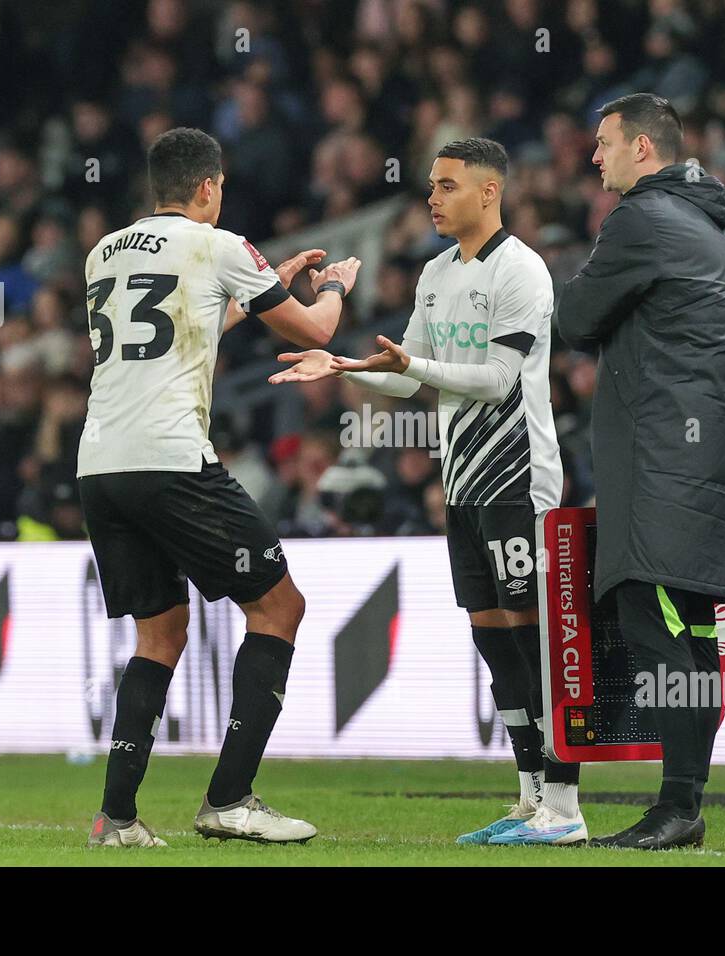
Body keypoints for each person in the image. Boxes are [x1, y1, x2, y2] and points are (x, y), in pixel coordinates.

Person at [270, 139, 586, 845]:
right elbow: (408, 374)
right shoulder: (437, 273)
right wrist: (345, 365)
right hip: (464, 484)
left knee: (535, 644)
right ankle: (530, 798)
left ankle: (565, 809)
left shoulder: (523, 270)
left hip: (517, 479)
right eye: (432, 187)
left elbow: (498, 380)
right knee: (494, 643)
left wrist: (414, 362)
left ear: (489, 191)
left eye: (447, 186)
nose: (434, 200)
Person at [78, 127, 361, 847]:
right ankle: (229, 799)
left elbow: (179, 328)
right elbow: (313, 330)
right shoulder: (221, 245)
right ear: (209, 187)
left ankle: (116, 818)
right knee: (279, 606)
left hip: (102, 466)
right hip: (170, 459)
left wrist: (258, 282)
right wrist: (329, 287)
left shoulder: (104, 252)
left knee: (160, 631)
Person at [555, 94, 725, 850]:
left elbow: (575, 321)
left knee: (651, 618)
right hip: (704, 456)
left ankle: (679, 807)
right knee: (695, 632)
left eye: (603, 144)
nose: (595, 158)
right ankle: (683, 803)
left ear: (643, 147)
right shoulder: (706, 224)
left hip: (662, 459)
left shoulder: (641, 219)